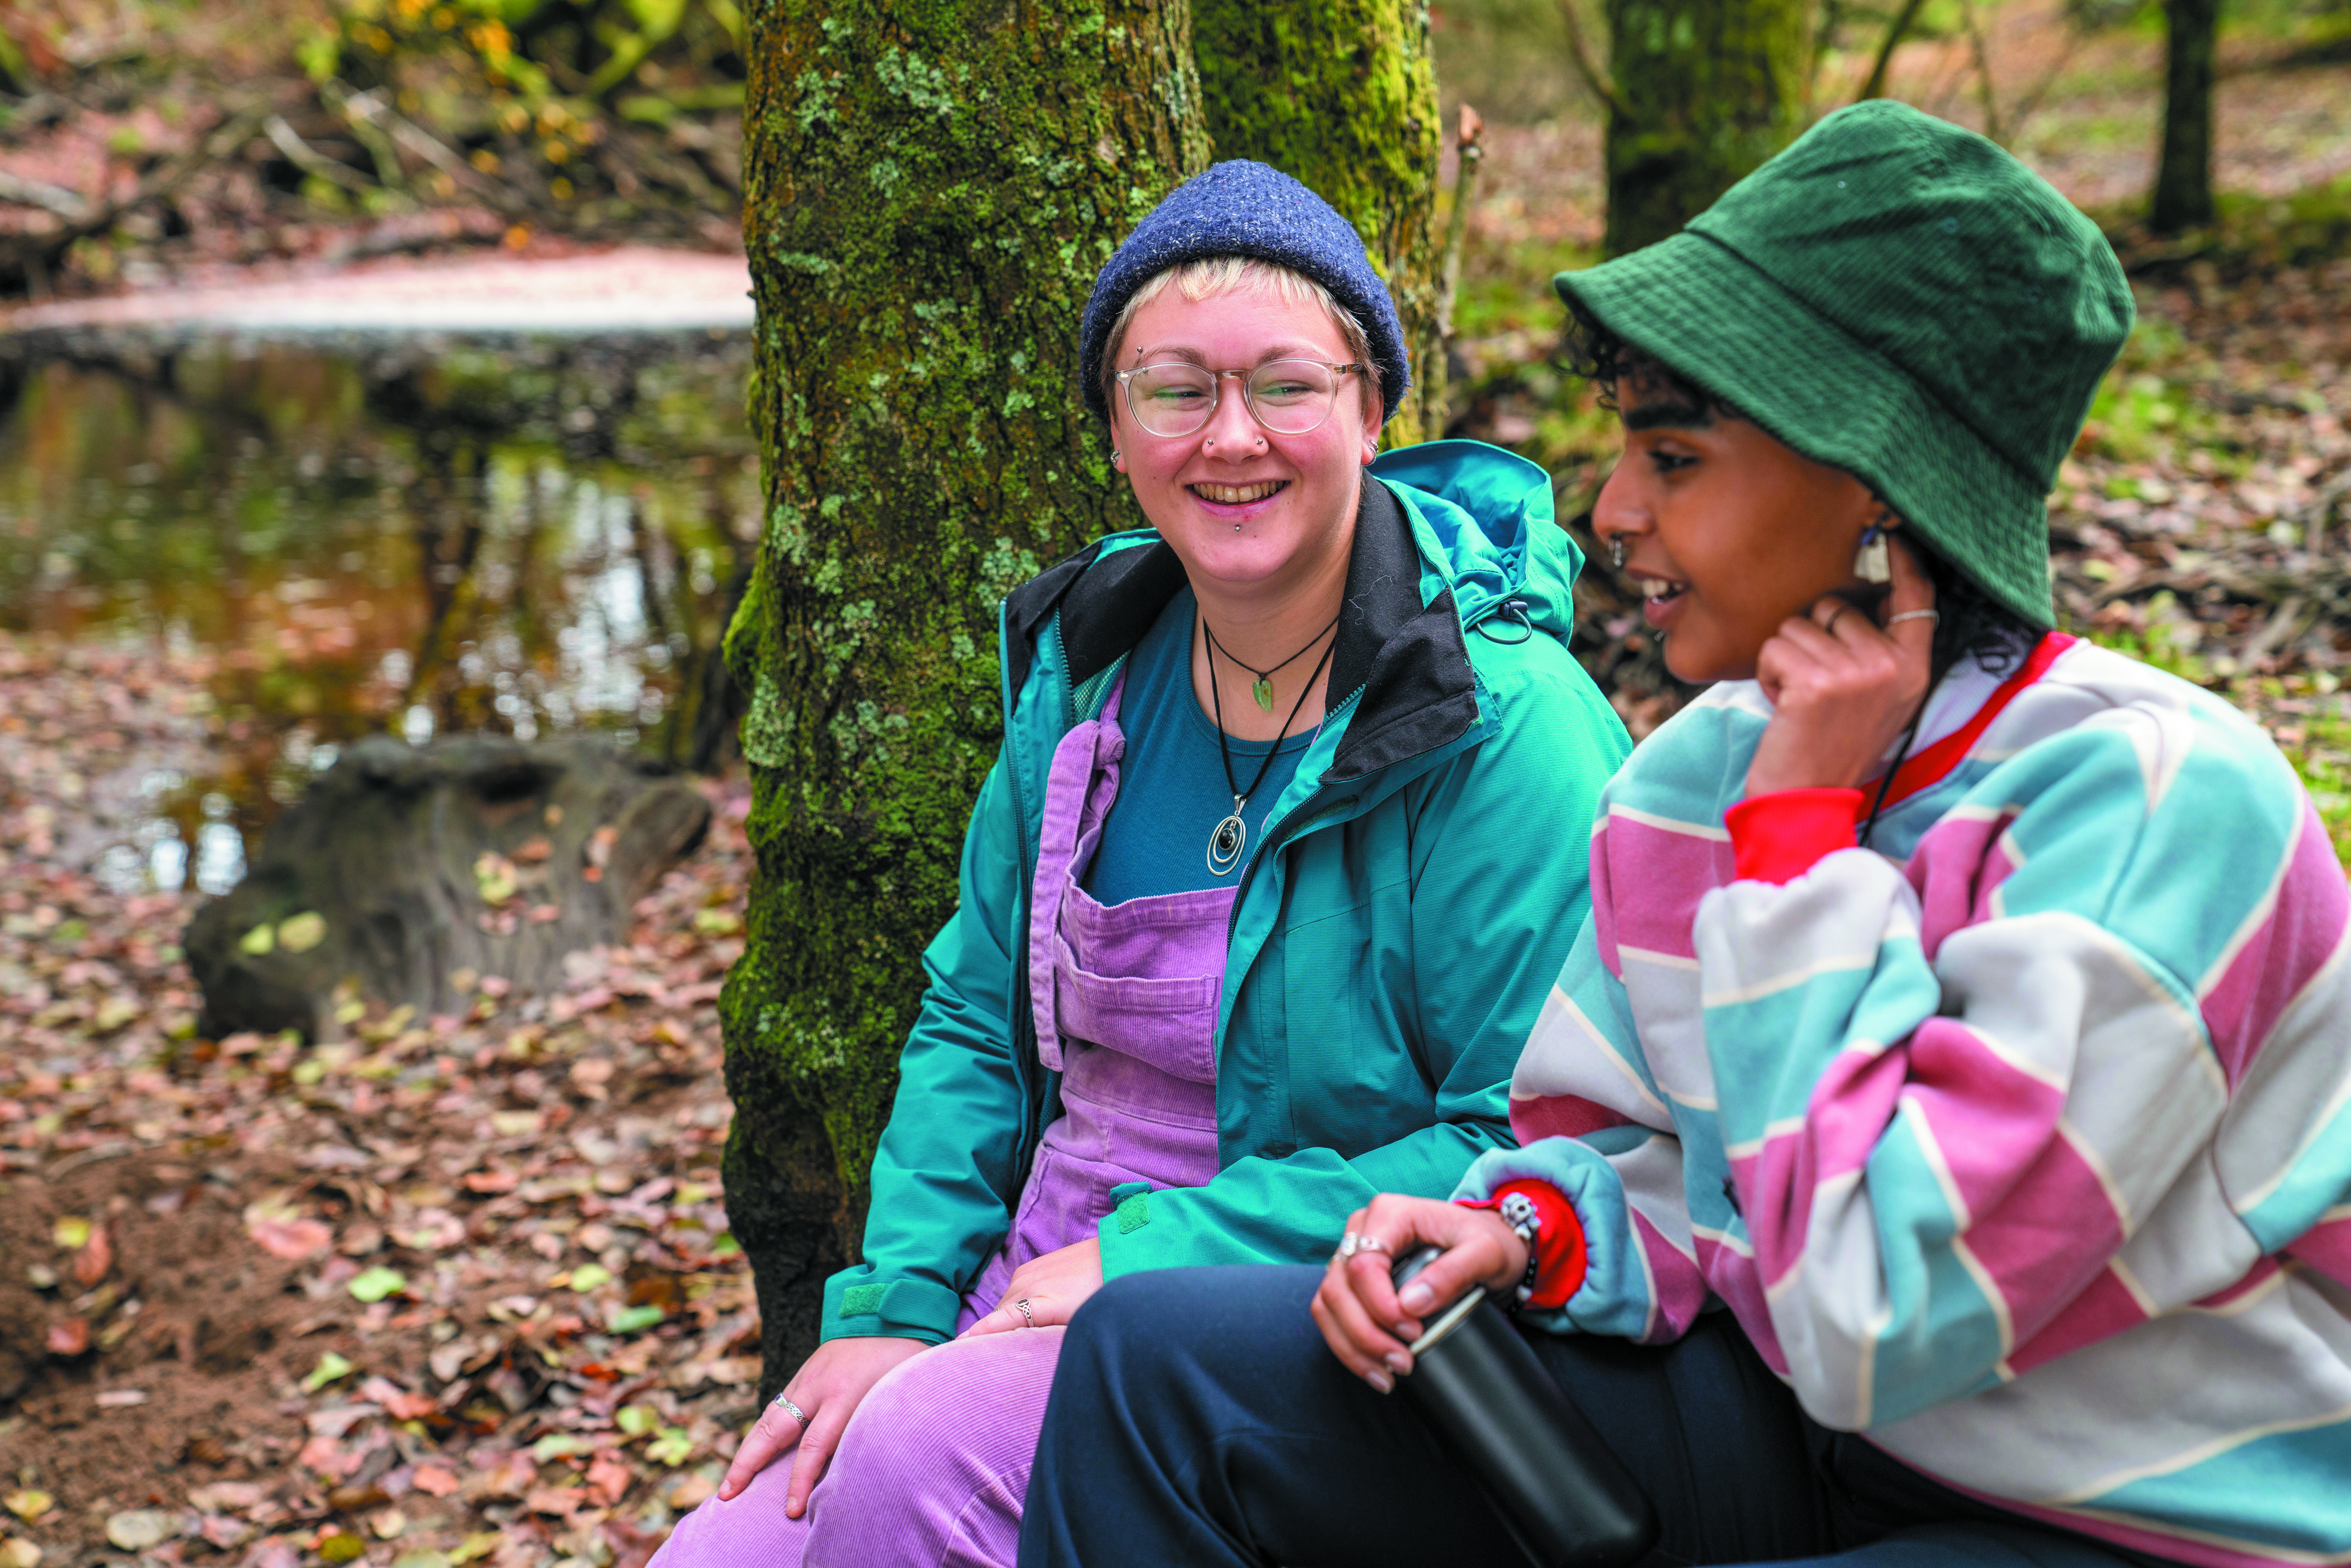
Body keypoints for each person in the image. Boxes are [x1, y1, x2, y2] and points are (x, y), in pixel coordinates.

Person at [1020, 101, 2351, 1568]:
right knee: (1160, 1368)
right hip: (1807, 1432)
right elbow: (1668, 1161)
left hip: (2146, 1521)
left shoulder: (2153, 803)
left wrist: (1797, 846)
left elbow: (1879, 1313)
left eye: (1678, 456)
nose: (1609, 512)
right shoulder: (1694, 776)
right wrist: (1527, 1228)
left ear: (1879, 489)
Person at [651, 161, 1631, 1567]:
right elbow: (973, 1019)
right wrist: (895, 1310)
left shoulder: (1503, 720)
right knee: (729, 1547)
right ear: (1117, 427)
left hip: (1303, 1318)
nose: (1234, 436)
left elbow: (1538, 1133)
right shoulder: (1089, 669)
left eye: (1287, 383)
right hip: (1029, 1278)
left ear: (1371, 407)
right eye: (1176, 388)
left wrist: (1144, 1258)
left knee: (909, 1481)